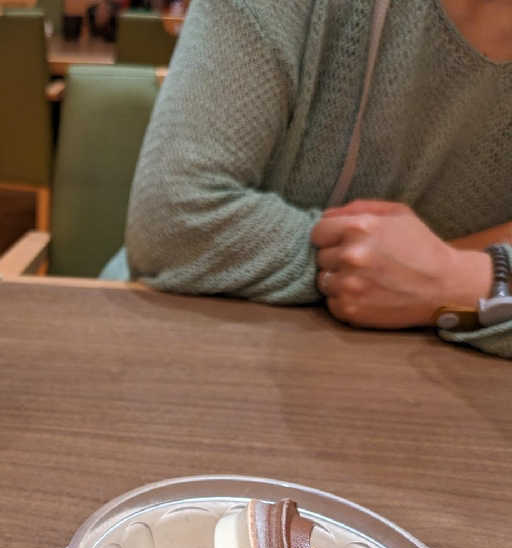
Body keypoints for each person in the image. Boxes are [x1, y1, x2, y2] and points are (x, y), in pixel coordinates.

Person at [106, 0, 512, 356]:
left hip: (426, 391)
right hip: (189, 341)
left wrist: (459, 279)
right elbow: (174, 218)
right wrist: (430, 272)